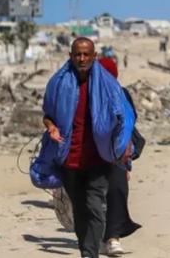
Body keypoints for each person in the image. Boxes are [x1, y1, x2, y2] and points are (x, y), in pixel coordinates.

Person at [42, 38, 133, 258]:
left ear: (94, 56)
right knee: (80, 210)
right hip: (69, 159)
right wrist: (51, 127)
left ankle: (90, 254)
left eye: (86, 54)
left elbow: (125, 118)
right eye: (77, 54)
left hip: (99, 159)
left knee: (94, 207)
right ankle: (87, 250)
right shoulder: (58, 84)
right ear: (70, 56)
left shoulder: (108, 85)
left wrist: (124, 148)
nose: (81, 59)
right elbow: (47, 115)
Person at [97, 57, 142, 256]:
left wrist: (128, 163)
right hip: (92, 153)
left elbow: (128, 127)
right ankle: (97, 236)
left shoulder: (122, 95)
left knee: (117, 191)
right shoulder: (86, 95)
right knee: (92, 197)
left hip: (117, 155)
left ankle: (113, 238)